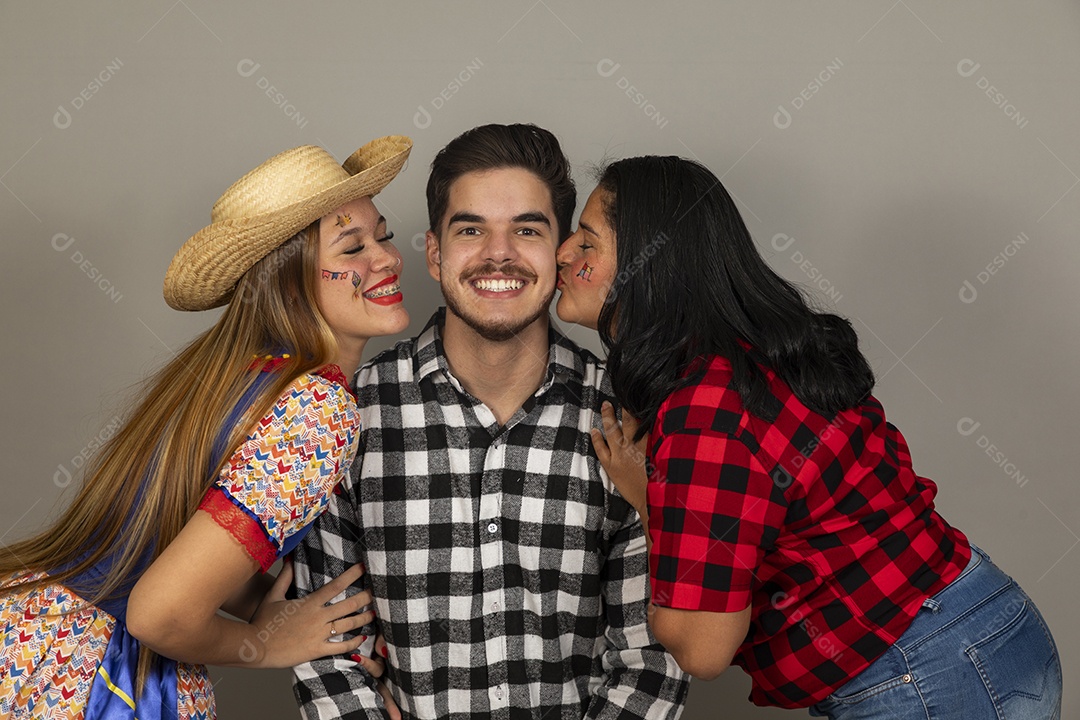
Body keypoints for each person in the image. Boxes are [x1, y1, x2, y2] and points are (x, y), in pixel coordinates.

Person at [555, 155, 1063, 718]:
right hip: (988, 622)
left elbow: (702, 646)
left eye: (587, 240)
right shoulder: (755, 355)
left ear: (652, 266)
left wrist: (655, 506)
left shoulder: (704, 405)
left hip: (927, 675)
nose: (563, 253)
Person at [0, 136, 412, 719]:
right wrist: (265, 644)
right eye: (352, 248)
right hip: (95, 678)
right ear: (292, 279)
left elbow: (173, 537)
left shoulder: (238, 371)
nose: (389, 259)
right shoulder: (319, 410)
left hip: (35, 633)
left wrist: (260, 610)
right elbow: (158, 614)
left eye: (384, 235)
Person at [290, 124, 689, 719]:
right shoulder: (350, 417)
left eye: (526, 229)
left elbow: (651, 657)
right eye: (471, 229)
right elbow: (323, 646)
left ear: (561, 251)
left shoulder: (623, 417)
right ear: (434, 253)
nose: (498, 253)